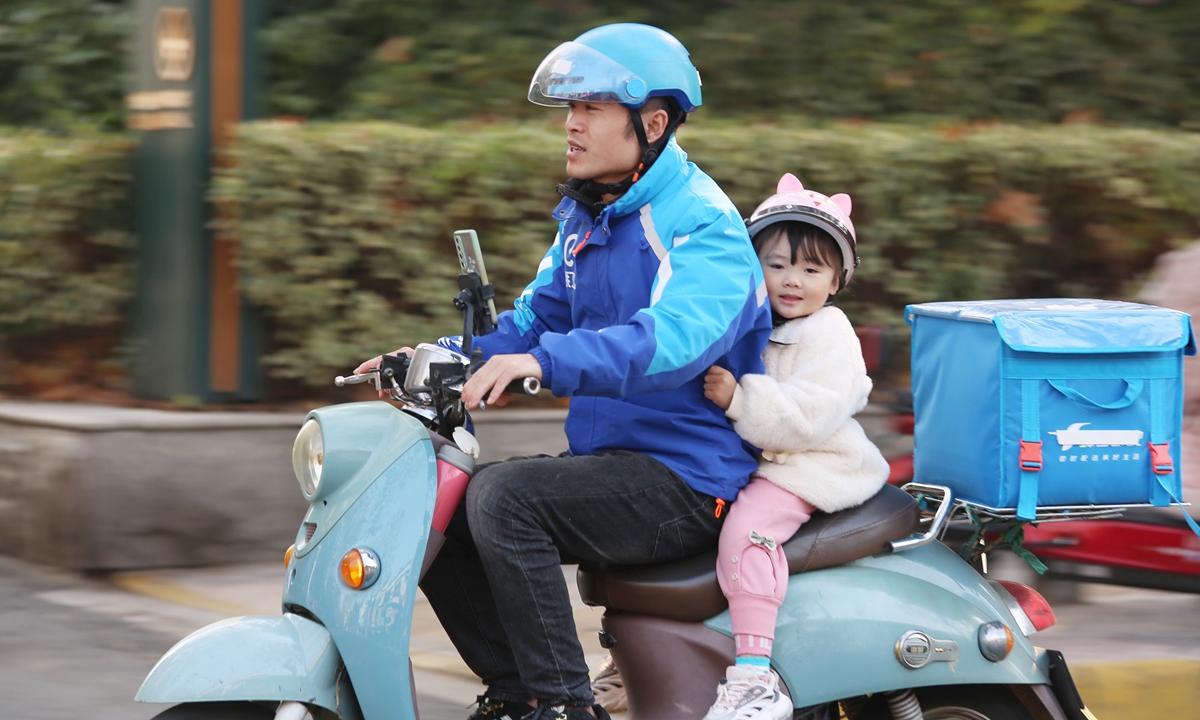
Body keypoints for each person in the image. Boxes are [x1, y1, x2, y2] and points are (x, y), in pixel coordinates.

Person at [357, 23, 772, 720]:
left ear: (653, 122)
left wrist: (545, 364)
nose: (571, 126)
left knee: (507, 500)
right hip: (616, 466)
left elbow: (672, 340)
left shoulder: (702, 224)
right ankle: (517, 692)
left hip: (693, 480)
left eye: (591, 109)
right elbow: (531, 321)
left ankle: (563, 705)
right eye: (570, 110)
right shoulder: (587, 220)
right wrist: (437, 358)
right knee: (437, 506)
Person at [699, 174, 890, 720]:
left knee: (746, 534)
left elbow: (807, 418)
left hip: (808, 466)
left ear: (836, 282)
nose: (791, 280)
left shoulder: (830, 333)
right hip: (760, 462)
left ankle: (755, 675)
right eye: (776, 263)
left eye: (811, 269)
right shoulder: (752, 319)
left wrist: (740, 397)